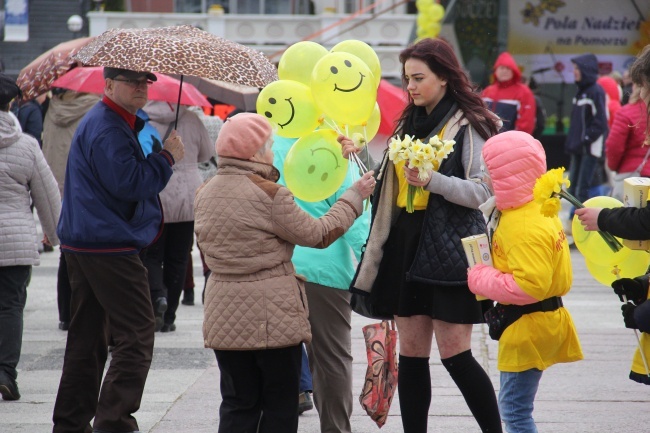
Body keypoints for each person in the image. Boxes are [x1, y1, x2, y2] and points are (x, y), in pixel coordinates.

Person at [340, 37, 503, 433]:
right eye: (406, 78)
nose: (409, 86)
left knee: (456, 355)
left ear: (445, 77)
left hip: (449, 250)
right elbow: (394, 181)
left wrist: (435, 181)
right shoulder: (408, 123)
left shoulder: (473, 124)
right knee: (412, 357)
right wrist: (361, 154)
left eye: (418, 78)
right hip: (404, 247)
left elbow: (484, 192)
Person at [194, 112, 375, 433]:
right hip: (272, 314)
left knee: (237, 402)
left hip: (223, 312)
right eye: (267, 146)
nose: (271, 151)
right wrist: (354, 197)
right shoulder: (272, 195)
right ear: (252, 152)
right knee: (280, 403)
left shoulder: (204, 192)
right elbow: (318, 233)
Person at [52, 66, 185, 433]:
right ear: (108, 85)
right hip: (107, 243)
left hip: (91, 239)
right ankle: (113, 422)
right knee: (137, 333)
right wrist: (167, 158)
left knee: (88, 337)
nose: (141, 88)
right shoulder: (109, 125)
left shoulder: (116, 121)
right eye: (132, 82)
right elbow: (128, 183)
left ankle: (70, 423)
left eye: (145, 82)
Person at [467, 130, 584, 432]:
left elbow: (530, 285)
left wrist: (480, 277)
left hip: (527, 327)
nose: (485, 177)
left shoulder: (520, 224)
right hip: (543, 320)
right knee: (517, 408)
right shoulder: (537, 208)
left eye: (489, 170)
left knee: (515, 412)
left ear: (506, 175)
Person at [272, 134, 371, 431]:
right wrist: (371, 264)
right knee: (331, 359)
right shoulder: (332, 145)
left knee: (277, 356)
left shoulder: (270, 143)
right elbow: (354, 214)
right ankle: (335, 428)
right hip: (324, 269)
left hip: (278, 265)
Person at [575, 44, 650, 385]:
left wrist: (602, 220)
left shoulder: (626, 114)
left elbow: (647, 220)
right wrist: (642, 285)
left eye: (640, 87)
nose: (639, 96)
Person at [0, 73, 61, 401]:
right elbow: (48, 195)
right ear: (11, 105)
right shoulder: (26, 146)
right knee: (10, 306)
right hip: (15, 243)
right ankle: (6, 372)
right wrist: (54, 234)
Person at [141, 100, 214, 332]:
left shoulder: (144, 120)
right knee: (180, 256)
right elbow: (207, 153)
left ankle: (157, 297)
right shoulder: (191, 118)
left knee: (152, 254)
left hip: (157, 193)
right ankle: (170, 315)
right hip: (188, 195)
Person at [41, 88, 101, 331]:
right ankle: (83, 311)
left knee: (66, 253)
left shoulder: (53, 107)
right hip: (81, 184)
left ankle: (65, 314)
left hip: (54, 183)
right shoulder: (94, 108)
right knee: (81, 252)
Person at [564, 54, 609, 207]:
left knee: (582, 189)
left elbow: (601, 121)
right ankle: (573, 219)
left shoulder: (596, 91)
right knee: (572, 188)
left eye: (577, 68)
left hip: (589, 148)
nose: (574, 71)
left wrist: (586, 138)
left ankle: (582, 224)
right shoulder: (580, 91)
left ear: (586, 69)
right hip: (578, 148)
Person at [605, 83, 649, 201]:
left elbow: (614, 146)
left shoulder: (627, 112)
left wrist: (614, 167)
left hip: (632, 177)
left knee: (626, 217)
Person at [481, 51, 536, 134]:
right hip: (487, 139)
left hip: (512, 142)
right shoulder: (487, 91)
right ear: (495, 71)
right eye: (502, 68)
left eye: (508, 68)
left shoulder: (524, 92)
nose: (504, 71)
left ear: (514, 71)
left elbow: (526, 123)